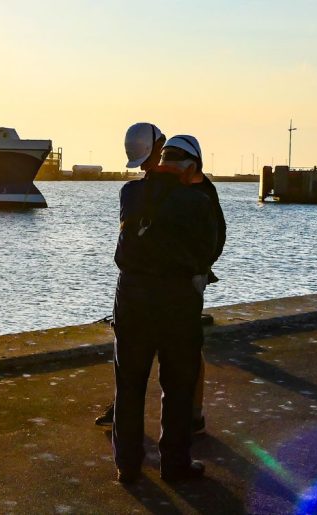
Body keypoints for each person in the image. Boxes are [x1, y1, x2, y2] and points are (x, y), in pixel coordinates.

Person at [96, 123, 226, 434]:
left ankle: (191, 414)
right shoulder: (157, 187)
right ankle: (176, 424)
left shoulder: (197, 192)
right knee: (172, 354)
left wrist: (194, 270)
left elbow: (213, 240)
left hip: (178, 283)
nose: (146, 167)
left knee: (184, 355)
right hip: (163, 282)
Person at [111, 134, 217, 484]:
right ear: (190, 170)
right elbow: (212, 246)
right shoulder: (198, 201)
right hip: (177, 300)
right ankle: (175, 465)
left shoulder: (130, 193)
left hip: (131, 296)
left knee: (129, 385)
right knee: (178, 386)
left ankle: (127, 466)